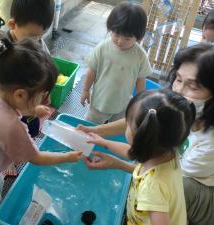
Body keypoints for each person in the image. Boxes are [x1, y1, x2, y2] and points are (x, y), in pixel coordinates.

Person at [0, 33, 83, 225]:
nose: (49, 101)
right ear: (19, 94)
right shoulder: (11, 126)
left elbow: (12, 108)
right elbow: (37, 158)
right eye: (43, 96)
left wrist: (34, 108)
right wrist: (68, 157)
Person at [81, 44, 214, 225]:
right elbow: (138, 148)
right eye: (179, 79)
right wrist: (100, 137)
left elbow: (153, 180)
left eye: (194, 86)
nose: (179, 91)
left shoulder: (153, 189)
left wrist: (117, 163)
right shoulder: (169, 148)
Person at [87, 89, 194, 225]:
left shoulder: (152, 189)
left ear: (142, 136)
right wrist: (104, 142)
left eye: (128, 124)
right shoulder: (170, 152)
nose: (126, 126)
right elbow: (132, 152)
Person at [0, 0, 55, 137]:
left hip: (29, 100)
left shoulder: (37, 41)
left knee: (30, 130)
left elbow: (45, 65)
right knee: (13, 136)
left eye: (42, 34)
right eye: (32, 36)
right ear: (12, 24)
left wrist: (45, 91)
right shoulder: (2, 46)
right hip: (11, 104)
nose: (37, 40)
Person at [80, 2, 152, 124]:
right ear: (111, 29)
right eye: (116, 34)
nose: (120, 41)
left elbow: (141, 80)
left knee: (115, 130)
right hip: (100, 101)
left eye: (127, 39)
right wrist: (86, 90)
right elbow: (92, 70)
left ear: (138, 37)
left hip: (123, 105)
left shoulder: (140, 56)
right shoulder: (103, 48)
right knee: (90, 127)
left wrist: (139, 103)